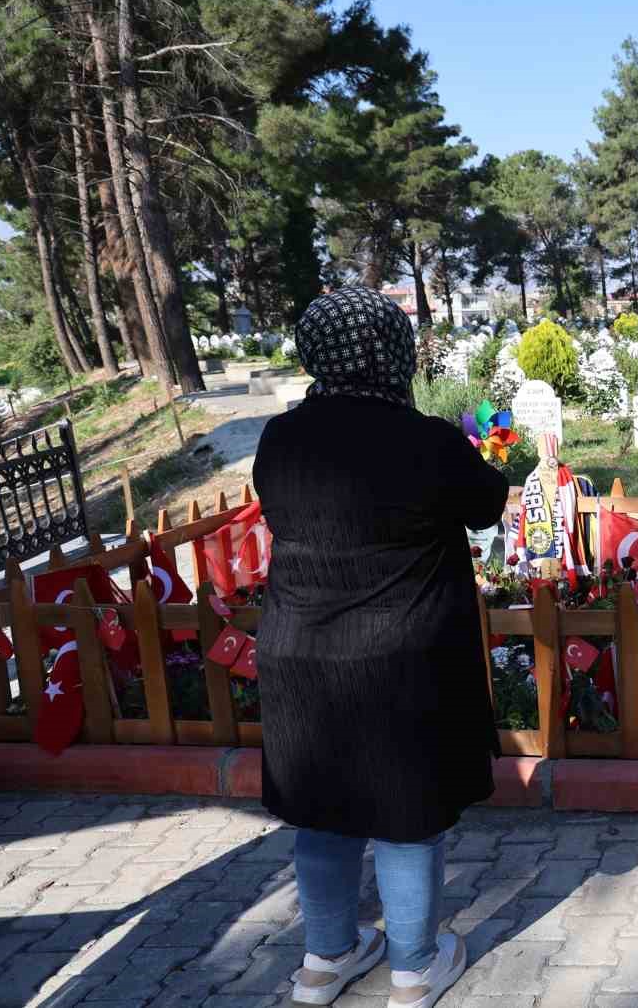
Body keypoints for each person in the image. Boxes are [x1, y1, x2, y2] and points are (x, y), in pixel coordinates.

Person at [254, 286, 509, 1008]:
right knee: (408, 813)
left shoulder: (279, 439)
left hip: (299, 652)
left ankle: (325, 960)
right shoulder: (423, 439)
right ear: (394, 352)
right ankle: (414, 967)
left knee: (322, 807)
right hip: (400, 656)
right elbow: (486, 503)